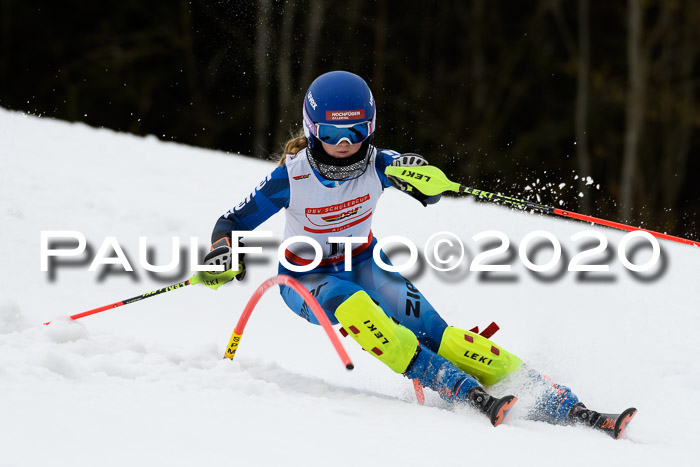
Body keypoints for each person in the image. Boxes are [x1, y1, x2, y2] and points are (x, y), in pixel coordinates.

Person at [200, 70, 634, 435]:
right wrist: (223, 253)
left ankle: (564, 404)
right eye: (332, 133)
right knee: (357, 310)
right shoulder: (290, 178)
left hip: (366, 263)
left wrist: (426, 179)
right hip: (307, 279)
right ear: (313, 129)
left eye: (356, 131)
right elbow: (232, 223)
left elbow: (415, 174)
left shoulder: (377, 163)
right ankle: (462, 389)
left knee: (436, 332)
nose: (345, 143)